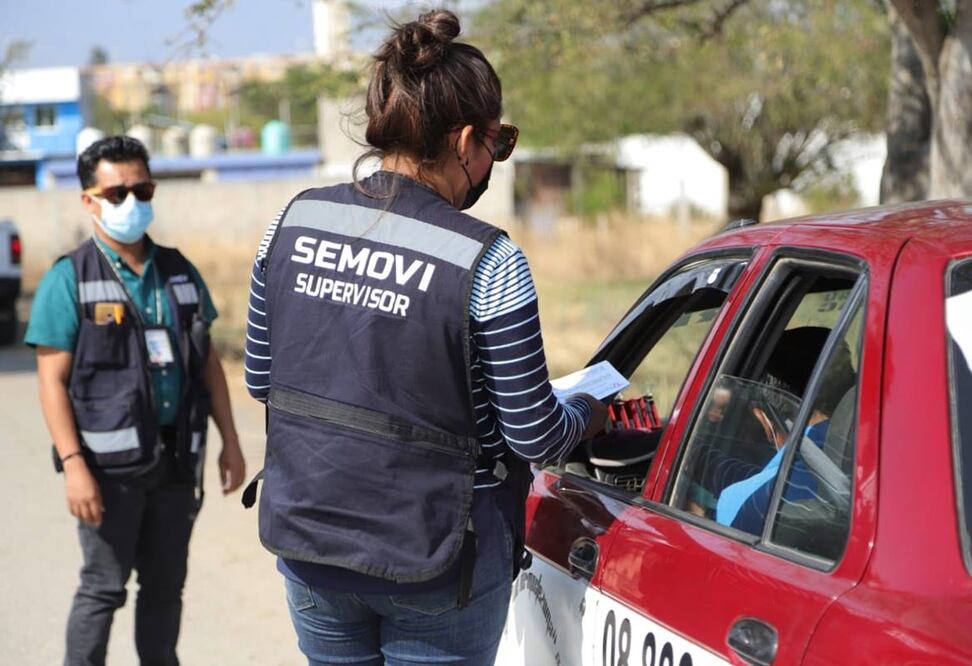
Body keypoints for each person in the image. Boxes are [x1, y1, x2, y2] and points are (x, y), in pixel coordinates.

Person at [242, 9, 606, 665]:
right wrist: (591, 412)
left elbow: (260, 377)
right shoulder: (490, 261)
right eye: (499, 142)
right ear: (468, 139)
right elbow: (534, 434)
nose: (493, 159)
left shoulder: (291, 223)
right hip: (437, 561)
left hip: (310, 543)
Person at [26, 135, 246, 666]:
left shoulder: (180, 271)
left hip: (176, 462)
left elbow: (209, 363)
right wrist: (74, 465)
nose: (132, 202)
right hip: (107, 470)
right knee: (103, 589)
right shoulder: (69, 279)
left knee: (165, 591)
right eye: (117, 192)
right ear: (89, 200)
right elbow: (50, 380)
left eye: (142, 188)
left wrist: (231, 443)